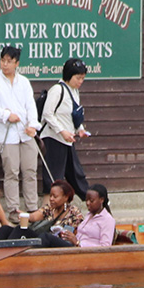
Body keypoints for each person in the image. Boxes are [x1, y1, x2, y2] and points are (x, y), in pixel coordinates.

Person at [0, 45, 40, 218]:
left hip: (26, 133)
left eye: (9, 61)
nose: (5, 64)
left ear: (17, 63)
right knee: (11, 172)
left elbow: (31, 105)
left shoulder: (24, 82)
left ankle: (32, 208)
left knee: (30, 171)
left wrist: (33, 125)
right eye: (3, 60)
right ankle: (13, 210)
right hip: (7, 134)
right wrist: (7, 115)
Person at [39, 58, 90, 200]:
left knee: (76, 174)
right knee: (53, 178)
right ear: (69, 75)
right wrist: (62, 131)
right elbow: (47, 114)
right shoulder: (57, 90)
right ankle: (48, 211)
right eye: (78, 78)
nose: (80, 81)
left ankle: (92, 201)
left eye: (83, 78)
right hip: (53, 139)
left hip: (68, 140)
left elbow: (73, 114)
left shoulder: (74, 92)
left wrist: (80, 129)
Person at [0, 179, 81, 247]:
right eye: (50, 196)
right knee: (6, 229)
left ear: (66, 197)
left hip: (59, 243)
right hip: (43, 240)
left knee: (28, 232)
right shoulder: (49, 208)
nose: (51, 199)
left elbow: (77, 233)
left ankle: (9, 256)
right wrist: (27, 216)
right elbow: (34, 216)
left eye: (55, 196)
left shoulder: (73, 212)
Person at [70, 184, 115, 248]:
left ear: (101, 200)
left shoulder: (107, 219)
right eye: (86, 200)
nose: (88, 203)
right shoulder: (88, 215)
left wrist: (78, 243)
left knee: (50, 239)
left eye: (91, 201)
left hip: (88, 253)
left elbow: (105, 246)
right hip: (75, 248)